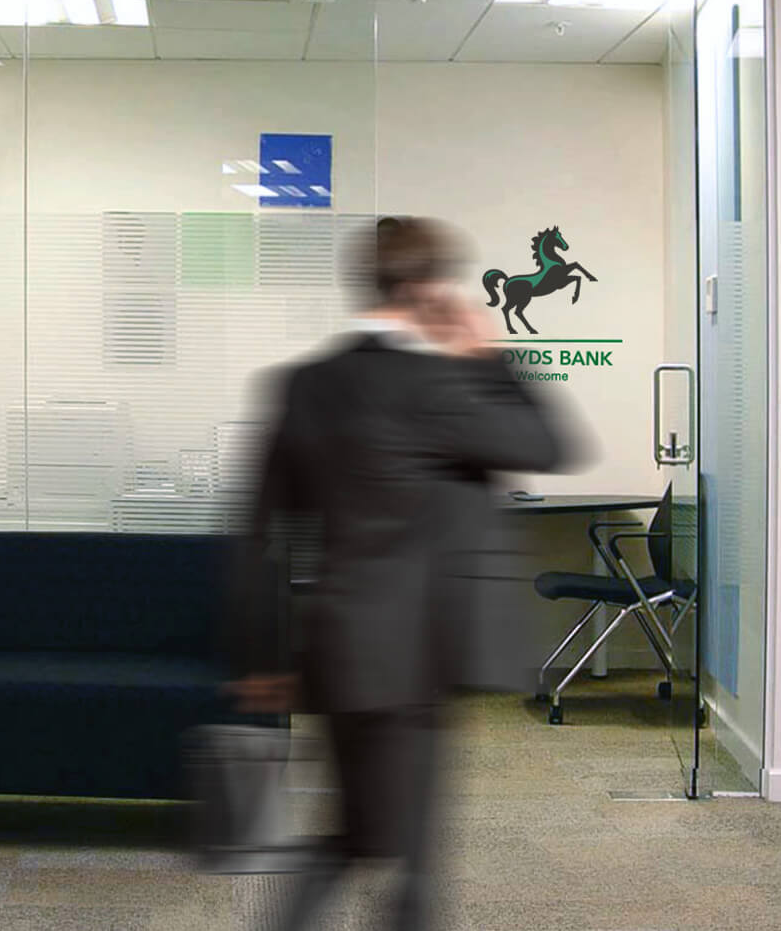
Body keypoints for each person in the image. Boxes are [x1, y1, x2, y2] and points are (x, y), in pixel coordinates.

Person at [226, 215, 573, 931]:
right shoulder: (433, 385)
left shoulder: (302, 384)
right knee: (402, 858)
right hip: (414, 655)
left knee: (361, 831)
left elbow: (256, 532)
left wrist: (261, 656)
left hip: (338, 647)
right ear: (422, 288)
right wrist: (488, 356)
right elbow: (549, 443)